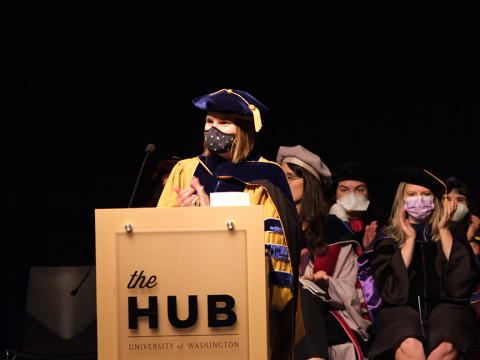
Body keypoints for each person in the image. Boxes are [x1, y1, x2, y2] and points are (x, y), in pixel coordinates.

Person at [157, 89, 301, 360]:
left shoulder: (268, 177)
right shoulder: (186, 171)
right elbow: (154, 239)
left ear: (244, 129)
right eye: (209, 121)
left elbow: (275, 248)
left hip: (242, 303)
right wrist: (181, 216)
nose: (214, 129)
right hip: (188, 299)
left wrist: (212, 220)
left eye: (224, 122)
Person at [359, 166, 480, 360]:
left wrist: (445, 231)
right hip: (400, 309)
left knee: (445, 344)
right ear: (403, 199)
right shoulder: (388, 237)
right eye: (412, 194)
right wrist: (409, 240)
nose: (420, 199)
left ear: (435, 199)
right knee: (408, 343)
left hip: (448, 306)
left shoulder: (452, 230)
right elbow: (392, 291)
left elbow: (462, 282)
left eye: (426, 194)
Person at [277, 146, 371, 360]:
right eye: (280, 177)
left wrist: (326, 283)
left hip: (327, 314)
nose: (283, 183)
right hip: (276, 309)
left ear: (308, 183)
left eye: (290, 177)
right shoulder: (271, 226)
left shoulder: (335, 232)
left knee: (303, 296)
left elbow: (352, 290)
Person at [328, 162, 389, 250]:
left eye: (359, 190)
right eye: (344, 190)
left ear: (370, 195)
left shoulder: (382, 225)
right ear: (334, 195)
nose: (352, 195)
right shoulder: (323, 224)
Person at [445, 179, 480, 254]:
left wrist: (471, 240)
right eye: (447, 199)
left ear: (468, 204)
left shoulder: (475, 233)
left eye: (460, 200)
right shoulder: (428, 231)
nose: (453, 204)